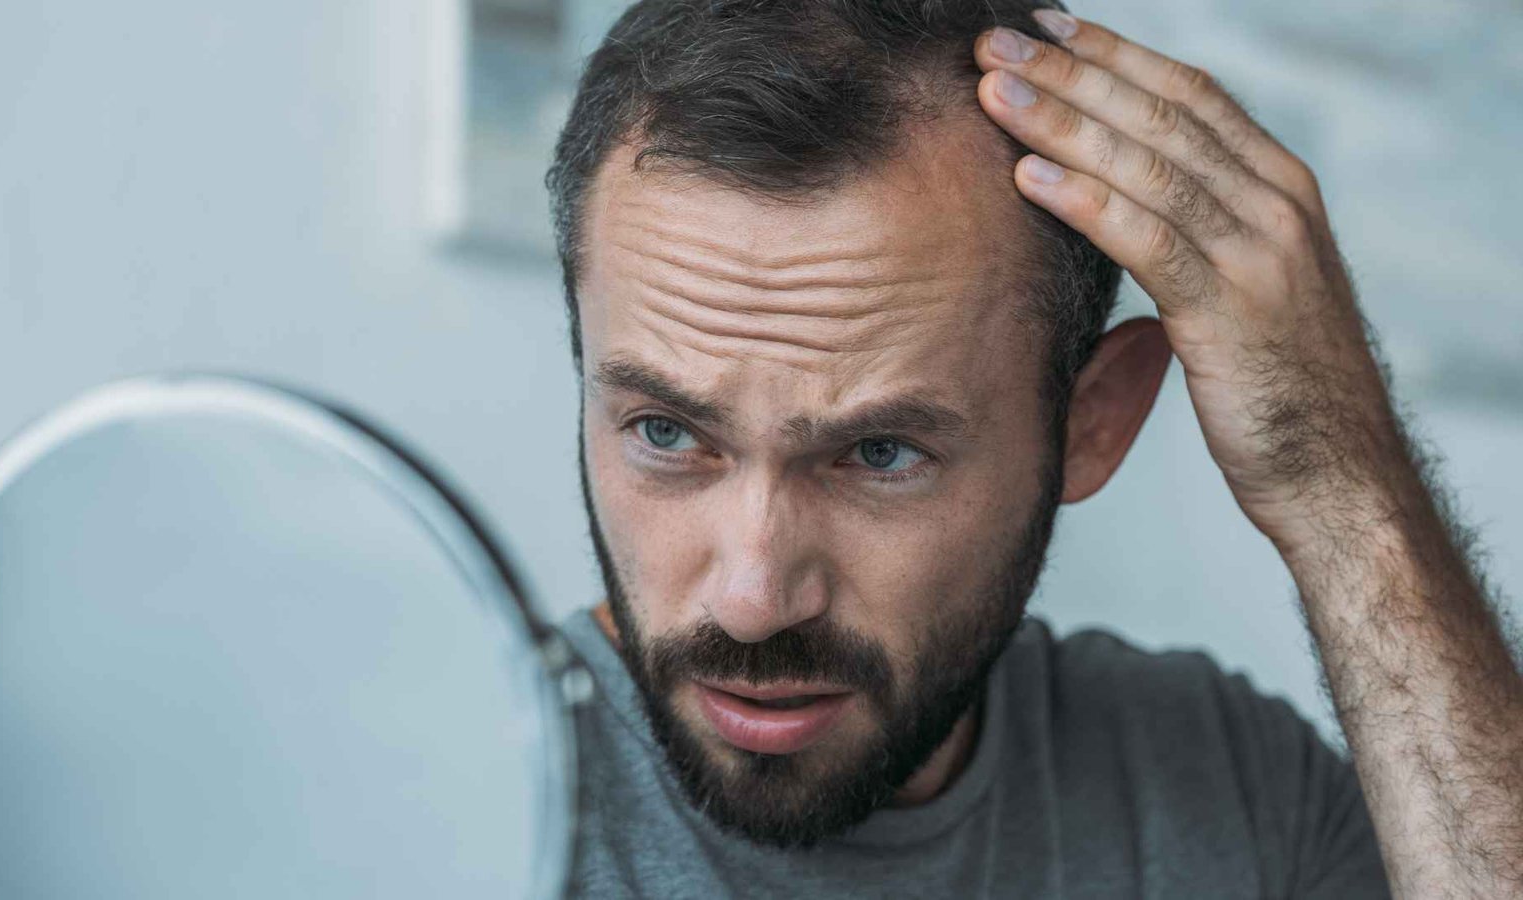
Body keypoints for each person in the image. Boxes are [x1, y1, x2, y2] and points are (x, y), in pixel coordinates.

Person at [542, 1, 1523, 896]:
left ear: (1091, 422)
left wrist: (1342, 488)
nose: (753, 600)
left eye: (880, 453)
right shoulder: (452, 801)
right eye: (665, 434)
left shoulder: (1229, 791)